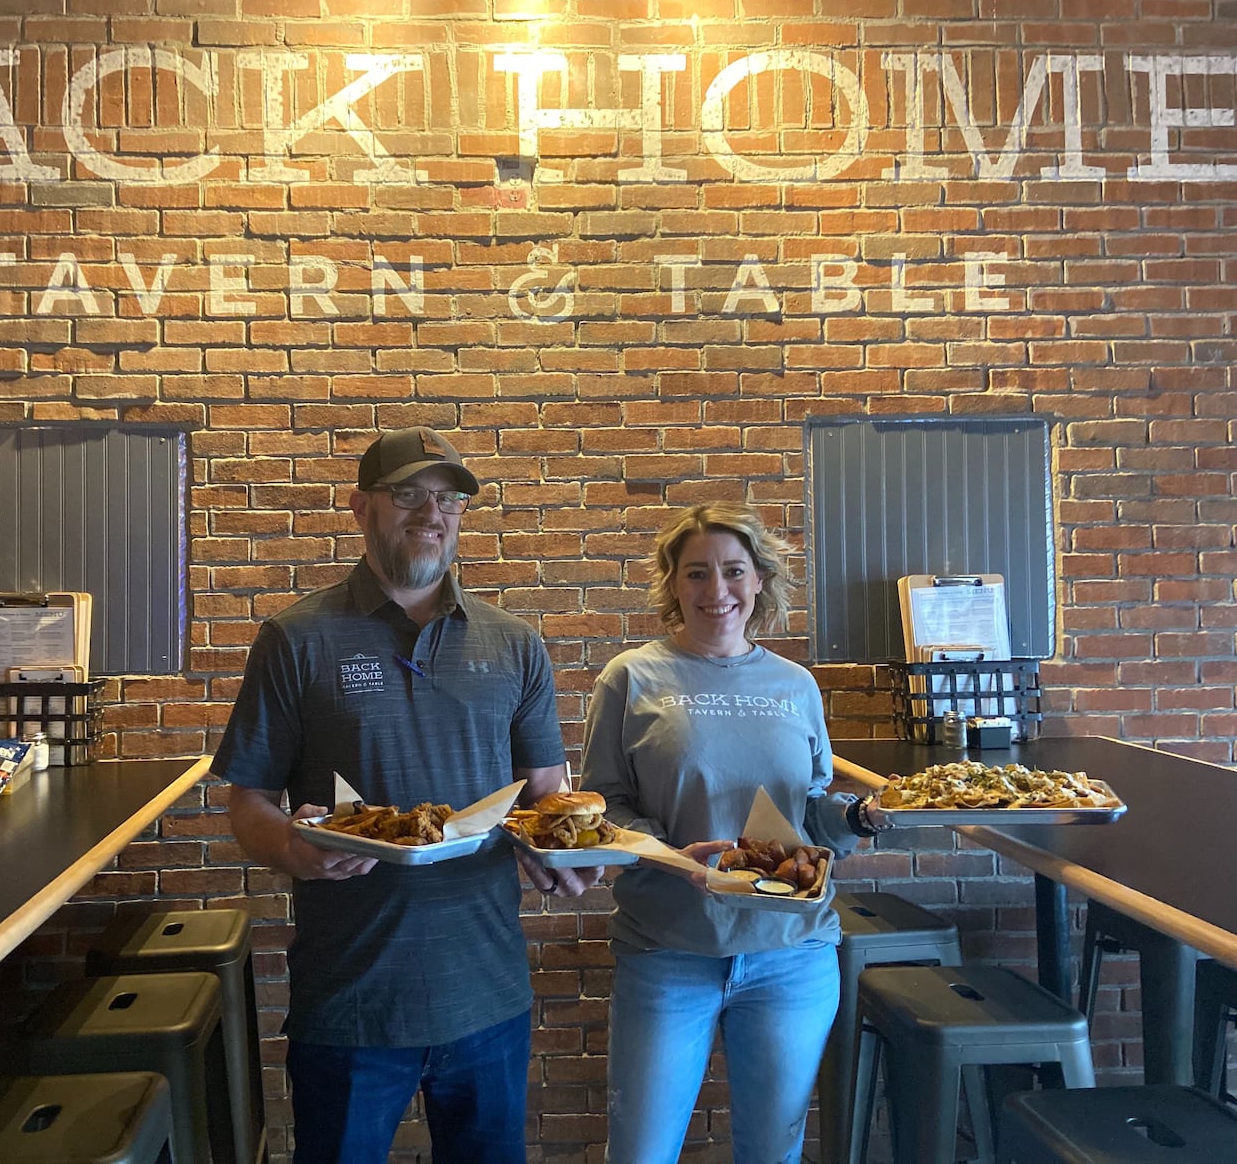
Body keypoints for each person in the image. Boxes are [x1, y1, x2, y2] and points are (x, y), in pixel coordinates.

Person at [213, 426, 600, 1164]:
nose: (432, 514)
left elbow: (548, 792)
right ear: (360, 507)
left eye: (448, 500)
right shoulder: (295, 638)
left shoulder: (515, 643)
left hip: (487, 994)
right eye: (408, 496)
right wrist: (293, 848)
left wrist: (566, 854)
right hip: (350, 1001)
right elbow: (248, 800)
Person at [579, 501, 887, 1164]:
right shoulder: (631, 677)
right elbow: (601, 806)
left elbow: (808, 809)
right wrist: (666, 854)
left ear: (758, 582)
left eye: (732, 572)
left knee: (772, 1153)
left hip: (791, 956)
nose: (714, 591)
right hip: (668, 952)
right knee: (639, 1154)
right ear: (672, 584)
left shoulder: (795, 685)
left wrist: (857, 817)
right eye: (695, 574)